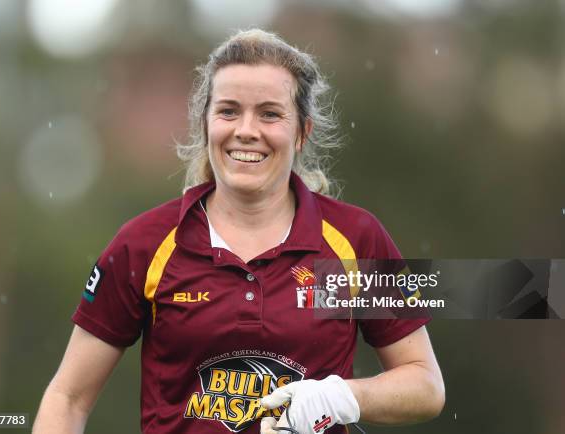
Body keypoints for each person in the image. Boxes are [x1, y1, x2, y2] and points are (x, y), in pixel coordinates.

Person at [33, 29, 444, 434]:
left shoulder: (354, 239)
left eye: (269, 113)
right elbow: (67, 399)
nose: (246, 129)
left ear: (303, 132)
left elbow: (424, 384)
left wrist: (339, 397)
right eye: (229, 111)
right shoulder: (144, 245)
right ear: (206, 124)